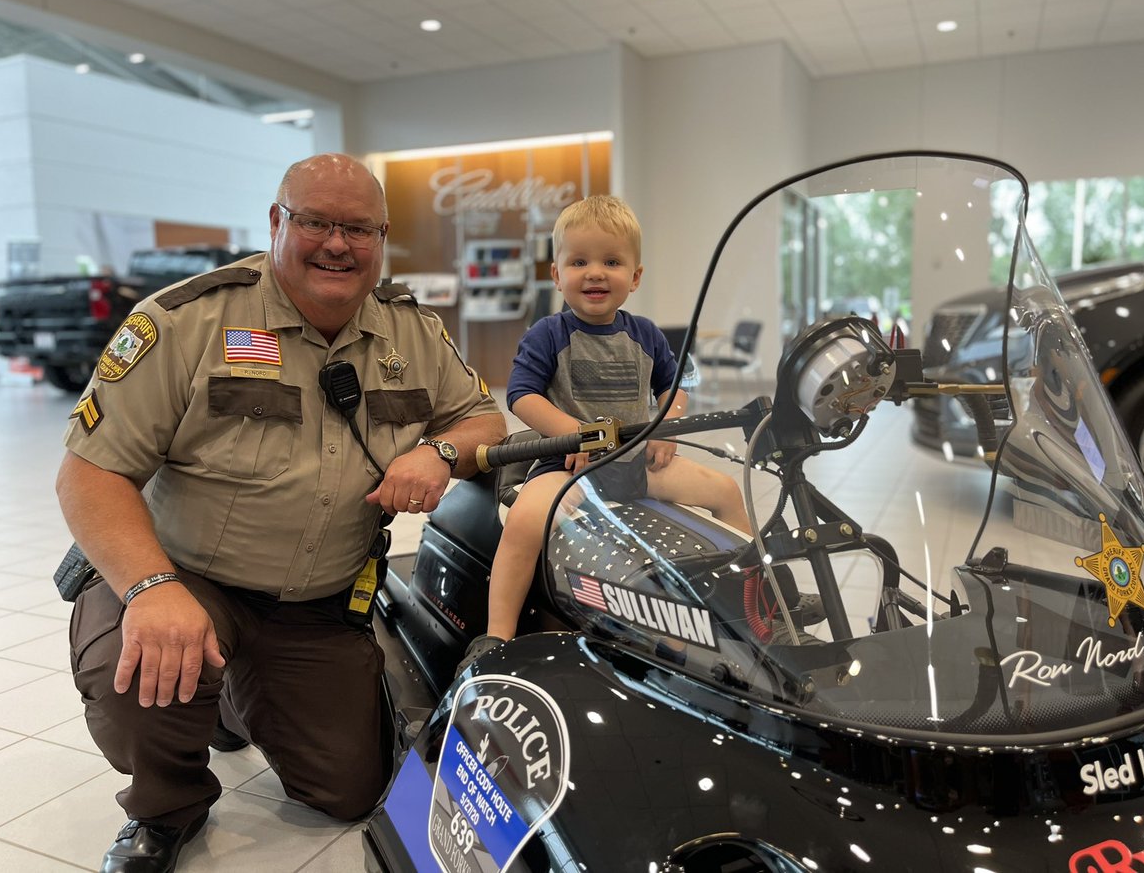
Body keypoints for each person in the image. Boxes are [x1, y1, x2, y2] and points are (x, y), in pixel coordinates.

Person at [56, 153, 507, 873]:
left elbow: (485, 418)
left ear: (381, 236)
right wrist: (150, 588)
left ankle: (234, 696)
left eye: (358, 228)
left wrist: (442, 454)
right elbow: (89, 471)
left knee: (350, 789)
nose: (338, 243)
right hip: (188, 577)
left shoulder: (410, 331)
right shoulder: (186, 321)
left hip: (316, 603)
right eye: (316, 222)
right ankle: (165, 807)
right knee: (138, 681)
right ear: (277, 222)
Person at [458, 195, 750, 672]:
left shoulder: (647, 335)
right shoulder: (547, 334)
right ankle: (497, 635)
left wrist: (666, 424)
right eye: (579, 261)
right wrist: (577, 435)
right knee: (526, 522)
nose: (595, 273)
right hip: (569, 467)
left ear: (635, 277)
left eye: (611, 262)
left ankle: (751, 596)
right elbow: (522, 395)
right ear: (556, 274)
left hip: (636, 463)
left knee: (724, 489)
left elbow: (676, 388)